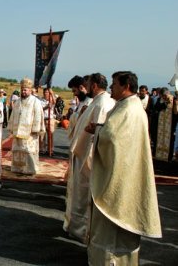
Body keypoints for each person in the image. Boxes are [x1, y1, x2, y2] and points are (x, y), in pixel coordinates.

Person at [88, 71, 161, 264]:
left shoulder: (129, 110)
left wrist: (96, 129)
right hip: (125, 171)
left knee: (113, 226)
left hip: (121, 177)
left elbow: (111, 137)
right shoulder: (128, 106)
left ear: (126, 85)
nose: (111, 87)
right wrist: (100, 127)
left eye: (114, 84)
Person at [63, 73, 115, 244]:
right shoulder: (96, 102)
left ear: (93, 86)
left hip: (87, 158)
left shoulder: (103, 103)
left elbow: (98, 134)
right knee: (77, 194)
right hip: (81, 154)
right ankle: (74, 227)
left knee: (84, 196)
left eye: (87, 84)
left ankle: (82, 230)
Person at [8, 77, 44, 175]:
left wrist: (36, 128)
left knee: (29, 150)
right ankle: (18, 168)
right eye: (22, 89)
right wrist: (11, 126)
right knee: (18, 150)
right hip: (18, 130)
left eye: (25, 90)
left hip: (30, 132)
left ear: (30, 90)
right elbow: (13, 114)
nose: (23, 91)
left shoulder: (35, 101)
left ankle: (30, 168)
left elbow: (38, 115)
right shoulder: (18, 101)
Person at [67, 75, 92, 140]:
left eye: (74, 91)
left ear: (81, 87)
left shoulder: (90, 102)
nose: (74, 94)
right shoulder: (81, 102)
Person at [154, 87, 174, 161]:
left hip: (170, 124)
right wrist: (165, 103)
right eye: (163, 96)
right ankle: (159, 156)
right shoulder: (160, 100)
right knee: (159, 139)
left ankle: (169, 157)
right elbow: (156, 107)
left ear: (168, 93)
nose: (164, 97)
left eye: (165, 95)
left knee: (170, 140)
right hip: (160, 124)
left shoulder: (174, 99)